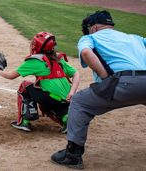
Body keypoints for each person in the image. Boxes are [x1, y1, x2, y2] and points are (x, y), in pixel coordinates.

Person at [51, 10, 146, 169]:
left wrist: (105, 77)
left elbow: (87, 53)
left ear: (94, 27)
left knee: (79, 102)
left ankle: (73, 155)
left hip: (121, 82)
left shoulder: (90, 37)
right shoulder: (133, 37)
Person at [0, 32, 80, 133]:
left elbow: (10, 76)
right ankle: (66, 119)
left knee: (25, 86)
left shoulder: (35, 61)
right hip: (68, 101)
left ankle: (24, 122)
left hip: (52, 99)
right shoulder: (58, 59)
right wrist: (72, 92)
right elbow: (76, 74)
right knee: (45, 102)